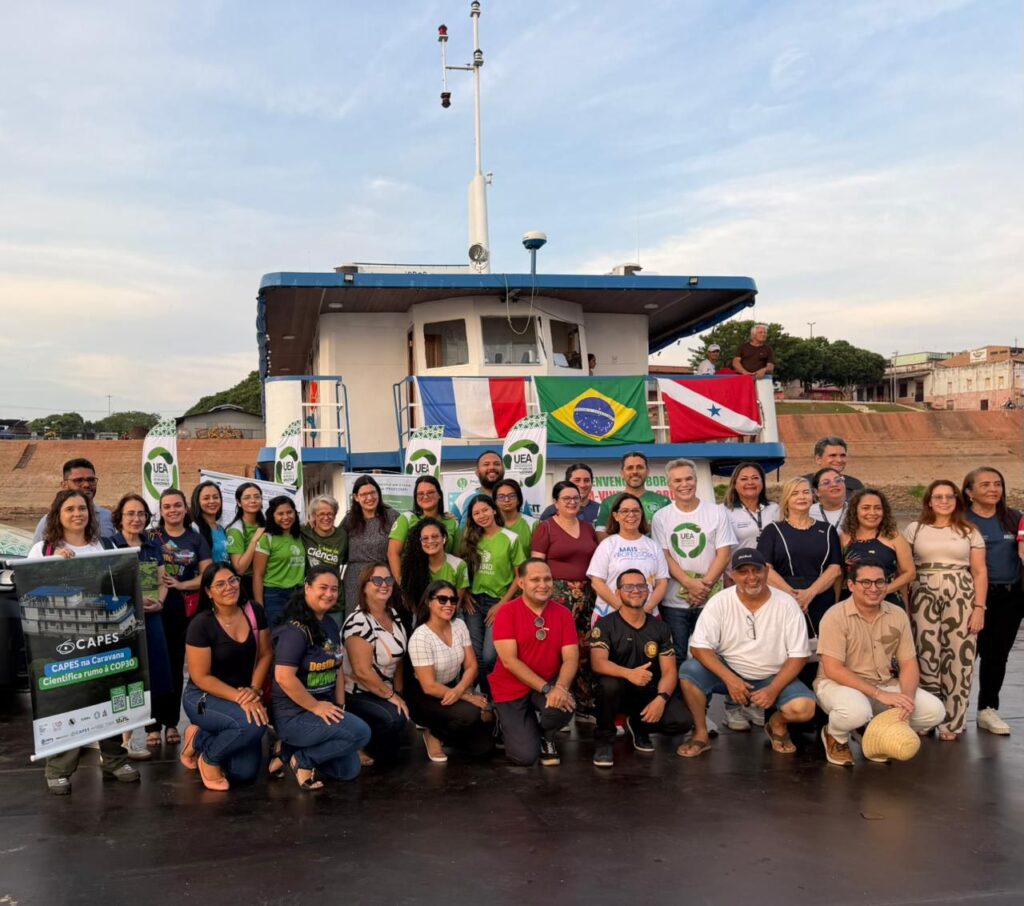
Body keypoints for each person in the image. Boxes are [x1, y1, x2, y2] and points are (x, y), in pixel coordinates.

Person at [28, 491, 140, 794]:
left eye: (82, 508)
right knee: (70, 700)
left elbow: (120, 583)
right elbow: (29, 590)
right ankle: (60, 767)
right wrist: (53, 565)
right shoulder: (44, 548)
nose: (77, 514)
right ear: (57, 514)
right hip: (64, 642)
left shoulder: (104, 545)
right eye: (70, 509)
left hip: (104, 638)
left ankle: (114, 759)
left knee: (107, 695)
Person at [678, 549, 815, 758]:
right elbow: (699, 647)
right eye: (743, 572)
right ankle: (700, 733)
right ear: (732, 575)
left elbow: (799, 655)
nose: (751, 577)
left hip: (772, 675)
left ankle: (776, 724)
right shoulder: (720, 601)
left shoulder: (787, 604)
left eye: (756, 570)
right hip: (729, 671)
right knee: (689, 672)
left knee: (804, 709)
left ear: (767, 572)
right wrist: (730, 679)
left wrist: (773, 689)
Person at [815, 561, 945, 767]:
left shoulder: (897, 614)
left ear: (887, 584)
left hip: (884, 682)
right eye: (865, 582)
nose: (873, 588)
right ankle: (835, 735)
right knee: (856, 711)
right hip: (838, 685)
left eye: (879, 582)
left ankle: (871, 733)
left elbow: (909, 663)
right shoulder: (835, 616)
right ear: (851, 585)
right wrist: (879, 695)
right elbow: (833, 669)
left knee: (934, 711)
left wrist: (907, 699)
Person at [272, 567, 372, 789]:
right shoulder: (294, 631)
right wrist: (316, 706)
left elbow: (337, 668)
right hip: (295, 715)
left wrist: (340, 706)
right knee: (360, 733)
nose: (329, 594)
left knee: (348, 771)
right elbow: (284, 677)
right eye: (323, 588)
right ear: (307, 588)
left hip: (323, 709)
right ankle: (303, 761)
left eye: (334, 589)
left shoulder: (329, 623)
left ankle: (287, 752)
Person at [903, 480, 987, 740]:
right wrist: (905, 609)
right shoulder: (914, 530)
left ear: (957, 500)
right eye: (938, 497)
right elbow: (905, 571)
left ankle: (952, 723)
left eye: (949, 496)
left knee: (959, 660)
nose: (944, 501)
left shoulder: (969, 530)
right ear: (929, 501)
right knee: (925, 656)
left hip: (960, 594)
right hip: (922, 593)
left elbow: (979, 571)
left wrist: (979, 609)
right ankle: (927, 717)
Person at [180, 562, 272, 790]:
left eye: (233, 580)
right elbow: (201, 677)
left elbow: (266, 654)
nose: (229, 587)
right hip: (202, 698)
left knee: (243, 774)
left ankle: (199, 737)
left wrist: (254, 690)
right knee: (252, 726)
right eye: (219, 584)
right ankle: (208, 758)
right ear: (209, 592)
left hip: (244, 694)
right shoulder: (201, 625)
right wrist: (241, 698)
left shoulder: (253, 611)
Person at [590, 569, 693, 767]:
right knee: (608, 685)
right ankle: (604, 741)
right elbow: (598, 663)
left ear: (648, 591)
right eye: (628, 586)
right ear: (618, 592)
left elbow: (670, 671)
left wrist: (661, 699)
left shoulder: (660, 628)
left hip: (646, 692)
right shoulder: (606, 625)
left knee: (681, 722)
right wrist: (629, 674)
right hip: (616, 693)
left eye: (641, 586)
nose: (635, 591)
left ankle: (639, 726)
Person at [490, 559, 578, 766]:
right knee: (524, 757)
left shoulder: (563, 613)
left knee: (561, 708)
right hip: (511, 687)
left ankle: (547, 738)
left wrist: (561, 687)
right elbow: (509, 661)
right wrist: (549, 689)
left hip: (548, 681)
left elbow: (571, 658)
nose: (543, 584)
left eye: (547, 579)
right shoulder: (506, 612)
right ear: (521, 584)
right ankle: (505, 722)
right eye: (535, 579)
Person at [652, 458, 737, 664]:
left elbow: (724, 554)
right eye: (678, 481)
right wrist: (690, 584)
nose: (684, 485)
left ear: (696, 481)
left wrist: (703, 589)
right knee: (677, 656)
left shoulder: (717, 513)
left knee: (712, 656)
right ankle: (678, 697)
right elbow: (664, 556)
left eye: (689, 479)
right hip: (674, 602)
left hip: (711, 600)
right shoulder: (661, 517)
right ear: (669, 485)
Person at [110, 493, 174, 756]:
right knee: (125, 674)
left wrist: (159, 602)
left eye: (141, 514)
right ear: (119, 517)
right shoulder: (109, 546)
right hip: (122, 621)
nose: (136, 519)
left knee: (154, 674)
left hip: (152, 618)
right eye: (130, 514)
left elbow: (163, 580)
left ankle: (145, 729)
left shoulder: (152, 547)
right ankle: (122, 740)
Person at [963, 466, 1023, 735]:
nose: (993, 489)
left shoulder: (1014, 519)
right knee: (963, 656)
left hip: (1009, 598)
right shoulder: (960, 520)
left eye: (997, 484)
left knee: (996, 656)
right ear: (969, 491)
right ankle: (952, 710)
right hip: (969, 598)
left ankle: (987, 709)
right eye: (985, 484)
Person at [531, 480, 600, 715]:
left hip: (588, 597)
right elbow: (537, 568)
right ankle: (552, 701)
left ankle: (583, 702)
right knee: (555, 649)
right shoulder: (546, 528)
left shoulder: (589, 529)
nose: (572, 502)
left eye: (576, 498)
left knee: (584, 649)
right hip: (557, 598)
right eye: (566, 498)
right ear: (556, 503)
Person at [720, 462, 780, 730]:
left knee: (764, 641)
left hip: (769, 583)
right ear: (734, 483)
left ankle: (757, 701)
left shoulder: (775, 510)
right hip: (738, 582)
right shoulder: (725, 512)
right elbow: (722, 550)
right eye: (743, 478)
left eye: (755, 478)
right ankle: (734, 706)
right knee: (736, 643)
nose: (750, 483)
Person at [151, 488, 213, 746]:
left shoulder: (196, 539)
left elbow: (206, 576)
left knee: (176, 667)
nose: (172, 510)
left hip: (185, 610)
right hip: (154, 610)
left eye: (177, 505)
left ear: (185, 508)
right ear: (161, 510)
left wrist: (179, 585)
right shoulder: (152, 538)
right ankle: (151, 725)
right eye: (167, 506)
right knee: (155, 667)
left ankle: (170, 723)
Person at [407, 580, 494, 762]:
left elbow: (472, 666)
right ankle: (434, 735)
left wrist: (462, 689)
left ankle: (445, 732)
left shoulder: (459, 626)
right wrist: (467, 696)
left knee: (484, 748)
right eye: (442, 600)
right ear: (429, 602)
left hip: (452, 689)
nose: (449, 605)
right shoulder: (421, 637)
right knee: (470, 713)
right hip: (424, 696)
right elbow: (429, 686)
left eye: (453, 600)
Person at [757, 477, 844, 636]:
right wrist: (793, 596)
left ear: (813, 496)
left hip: (820, 598)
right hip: (783, 599)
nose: (802, 497)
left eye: (806, 492)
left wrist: (809, 593)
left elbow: (835, 568)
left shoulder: (827, 530)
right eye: (795, 493)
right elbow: (765, 568)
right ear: (786, 499)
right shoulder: (773, 531)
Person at [342, 563, 409, 763]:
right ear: (364, 586)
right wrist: (392, 697)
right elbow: (362, 671)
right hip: (359, 693)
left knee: (393, 748)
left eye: (388, 580)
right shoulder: (358, 622)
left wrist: (399, 693)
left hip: (383, 691)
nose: (384, 585)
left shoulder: (393, 615)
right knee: (394, 719)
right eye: (377, 580)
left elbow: (399, 658)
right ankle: (354, 740)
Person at [458, 495, 526, 684]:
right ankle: (487, 703)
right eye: (476, 513)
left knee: (489, 655)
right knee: (475, 654)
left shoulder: (510, 538)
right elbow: (462, 570)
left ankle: (495, 696)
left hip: (498, 603)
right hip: (474, 602)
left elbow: (519, 576)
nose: (482, 516)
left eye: (485, 510)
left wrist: (502, 605)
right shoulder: (470, 538)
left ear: (494, 510)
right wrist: (466, 595)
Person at [587, 494, 669, 625]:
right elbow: (597, 582)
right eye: (625, 511)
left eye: (636, 510)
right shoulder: (607, 545)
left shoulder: (653, 545)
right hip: (610, 615)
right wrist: (622, 609)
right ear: (616, 516)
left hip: (647, 616)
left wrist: (646, 610)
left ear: (641, 514)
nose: (631, 515)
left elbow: (662, 582)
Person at [839, 489, 915, 606]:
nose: (872, 513)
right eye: (866, 508)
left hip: (887, 601)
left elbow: (909, 573)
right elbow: (838, 575)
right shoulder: (844, 537)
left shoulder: (894, 536)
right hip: (851, 602)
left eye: (878, 508)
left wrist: (882, 591)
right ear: (855, 511)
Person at [341, 475, 399, 616]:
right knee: (355, 618)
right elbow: (334, 539)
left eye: (372, 493)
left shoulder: (392, 516)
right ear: (356, 497)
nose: (369, 498)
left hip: (383, 577)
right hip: (356, 578)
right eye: (364, 494)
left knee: (383, 616)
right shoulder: (350, 520)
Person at [388, 476, 458, 580]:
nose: (425, 496)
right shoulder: (406, 518)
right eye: (420, 493)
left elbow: (457, 557)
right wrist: (401, 583)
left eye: (430, 492)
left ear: (439, 495)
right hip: (413, 582)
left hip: (444, 584)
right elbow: (393, 553)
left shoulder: (452, 522)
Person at [252, 496, 306, 628]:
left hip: (299, 594)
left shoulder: (300, 535)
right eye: (280, 514)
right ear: (272, 515)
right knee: (277, 637)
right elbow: (258, 574)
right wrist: (260, 605)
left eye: (289, 512)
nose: (286, 517)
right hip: (275, 595)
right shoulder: (267, 538)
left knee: (299, 636)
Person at [32, 457, 114, 542]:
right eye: (78, 480)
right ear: (64, 485)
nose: (86, 485)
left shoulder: (107, 516)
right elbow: (39, 553)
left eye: (91, 480)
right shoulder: (49, 522)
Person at [596, 451, 670, 537]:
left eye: (640, 467)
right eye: (630, 468)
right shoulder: (609, 503)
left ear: (647, 472)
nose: (635, 472)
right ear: (622, 473)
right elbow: (601, 535)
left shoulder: (663, 502)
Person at [225, 482, 266, 601]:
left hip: (269, 582)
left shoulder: (265, 525)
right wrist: (254, 541)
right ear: (239, 502)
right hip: (247, 585)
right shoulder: (235, 529)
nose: (253, 500)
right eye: (247, 498)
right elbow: (239, 569)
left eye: (257, 496)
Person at [451, 450, 506, 523]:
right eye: (486, 464)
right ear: (477, 472)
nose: (492, 467)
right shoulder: (464, 498)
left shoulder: (513, 497)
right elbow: (451, 528)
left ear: (503, 470)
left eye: (497, 464)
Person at [493, 478, 536, 554]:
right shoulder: (490, 524)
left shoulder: (533, 524)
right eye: (501, 496)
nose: (506, 500)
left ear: (518, 499)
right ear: (495, 501)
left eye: (512, 496)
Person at [191, 481, 229, 563]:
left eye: (215, 497)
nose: (212, 501)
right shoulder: (194, 529)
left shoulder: (222, 528)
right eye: (206, 498)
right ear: (197, 501)